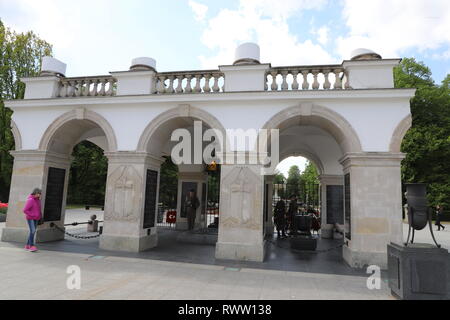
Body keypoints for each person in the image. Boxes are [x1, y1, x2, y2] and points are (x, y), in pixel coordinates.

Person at [23, 188, 42, 252]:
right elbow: (25, 210)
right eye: (38, 193)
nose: (39, 195)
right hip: (30, 218)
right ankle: (31, 246)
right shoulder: (30, 200)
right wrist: (32, 215)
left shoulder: (38, 200)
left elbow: (39, 210)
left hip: (36, 218)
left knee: (32, 231)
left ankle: (27, 245)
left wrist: (39, 216)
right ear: (35, 193)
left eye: (40, 194)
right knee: (33, 231)